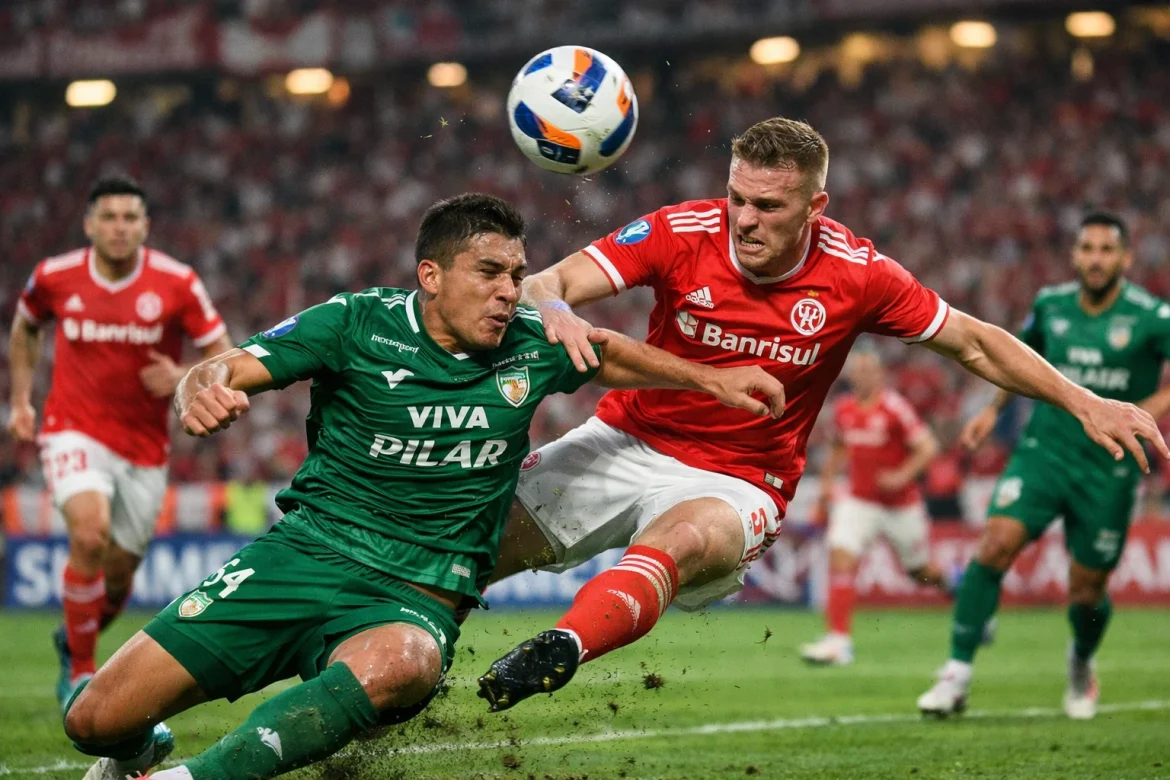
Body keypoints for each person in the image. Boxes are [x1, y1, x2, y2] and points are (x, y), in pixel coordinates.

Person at [61, 193, 784, 780]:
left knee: (407, 661)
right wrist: (198, 389)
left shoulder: (530, 342)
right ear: (431, 276)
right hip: (303, 555)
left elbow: (609, 355)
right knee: (91, 722)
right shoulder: (354, 322)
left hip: (416, 593)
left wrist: (714, 379)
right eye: (489, 272)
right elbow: (225, 365)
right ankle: (136, 753)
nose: (509, 292)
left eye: (516, 273)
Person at [474, 119, 1167, 713]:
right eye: (737, 199)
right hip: (624, 440)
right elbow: (547, 282)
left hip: (742, 479)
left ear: (815, 205)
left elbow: (975, 342)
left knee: (682, 537)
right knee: (469, 549)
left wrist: (1085, 400)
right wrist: (557, 308)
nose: (745, 220)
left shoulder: (857, 273)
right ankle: (389, 686)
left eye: (769, 207)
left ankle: (564, 645)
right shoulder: (681, 230)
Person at [917, 212, 1170, 720]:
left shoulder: (1151, 316)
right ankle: (956, 675)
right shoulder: (1049, 305)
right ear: (1075, 255)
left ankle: (1080, 660)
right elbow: (1015, 360)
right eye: (1087, 249)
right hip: (1044, 452)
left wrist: (1144, 416)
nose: (1095, 259)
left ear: (1124, 258)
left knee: (1086, 588)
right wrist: (991, 412)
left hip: (1109, 466)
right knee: (994, 544)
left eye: (1106, 250)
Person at [5, 175, 232, 711]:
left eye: (130, 218)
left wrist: (180, 372)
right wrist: (20, 401)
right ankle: (81, 673)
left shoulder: (177, 282)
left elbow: (222, 351)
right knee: (89, 533)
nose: (119, 227)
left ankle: (73, 637)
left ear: (145, 226)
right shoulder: (54, 276)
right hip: (72, 429)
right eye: (108, 217)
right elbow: (25, 327)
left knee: (119, 578)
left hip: (144, 449)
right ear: (89, 225)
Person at [799, 347, 957, 666]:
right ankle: (839, 641)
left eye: (870, 370)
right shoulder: (843, 410)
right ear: (851, 375)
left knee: (920, 572)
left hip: (901, 506)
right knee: (841, 553)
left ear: (881, 375)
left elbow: (928, 447)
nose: (864, 375)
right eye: (859, 370)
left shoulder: (895, 408)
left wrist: (902, 475)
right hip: (859, 501)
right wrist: (826, 489)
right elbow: (837, 449)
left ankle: (956, 586)